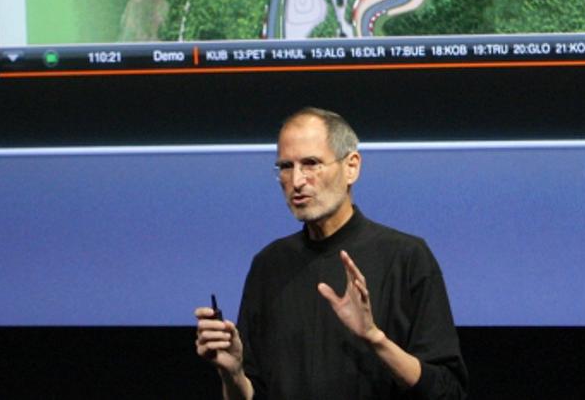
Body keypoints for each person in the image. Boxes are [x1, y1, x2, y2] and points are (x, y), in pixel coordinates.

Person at [194, 107, 468, 399]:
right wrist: (233, 374)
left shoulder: (406, 257)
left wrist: (374, 338)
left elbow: (448, 391)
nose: (297, 180)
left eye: (311, 163)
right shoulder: (269, 265)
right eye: (286, 166)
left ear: (351, 167)